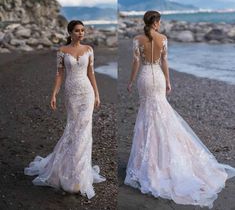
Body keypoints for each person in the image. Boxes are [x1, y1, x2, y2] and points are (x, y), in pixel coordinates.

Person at [124, 10, 235, 209]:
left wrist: (131, 81)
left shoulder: (137, 39)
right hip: (157, 77)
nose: (159, 24)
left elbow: (136, 62)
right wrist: (168, 80)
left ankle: (148, 160)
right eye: (159, 21)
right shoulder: (163, 39)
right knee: (161, 113)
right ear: (156, 22)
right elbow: (165, 61)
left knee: (147, 115)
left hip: (144, 78)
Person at [24, 20, 106, 199]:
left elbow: (91, 73)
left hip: (87, 92)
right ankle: (65, 169)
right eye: (77, 31)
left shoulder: (89, 50)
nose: (81, 33)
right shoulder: (62, 51)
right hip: (71, 92)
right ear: (70, 32)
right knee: (73, 128)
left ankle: (79, 174)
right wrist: (53, 94)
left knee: (85, 130)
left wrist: (97, 95)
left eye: (83, 31)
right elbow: (59, 74)